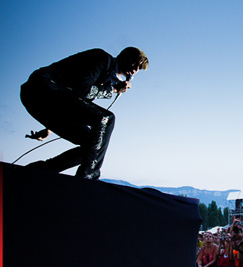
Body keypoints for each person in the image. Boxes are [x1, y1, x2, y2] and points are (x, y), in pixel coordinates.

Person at [20, 47, 148, 179]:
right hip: (39, 89)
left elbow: (73, 103)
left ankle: (42, 170)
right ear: (125, 56)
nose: (135, 70)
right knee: (106, 118)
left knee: (94, 146)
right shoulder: (102, 59)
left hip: (51, 102)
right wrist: (113, 90)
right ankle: (89, 175)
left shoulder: (108, 78)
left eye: (139, 68)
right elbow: (82, 90)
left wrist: (50, 128)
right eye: (135, 63)